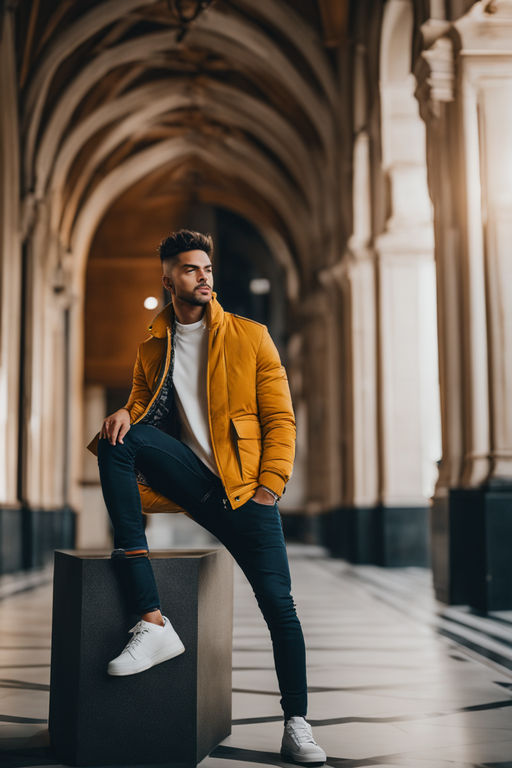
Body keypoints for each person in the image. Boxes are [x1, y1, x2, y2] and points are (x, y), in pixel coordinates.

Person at [87, 229, 326, 765]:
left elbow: (280, 419)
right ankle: (152, 622)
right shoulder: (154, 344)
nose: (204, 277)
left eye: (208, 269)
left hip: (248, 493)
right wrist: (127, 410)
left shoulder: (251, 336)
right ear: (168, 278)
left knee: (279, 608)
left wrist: (270, 487)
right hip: (195, 480)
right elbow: (146, 402)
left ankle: (297, 724)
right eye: (192, 269)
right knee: (114, 441)